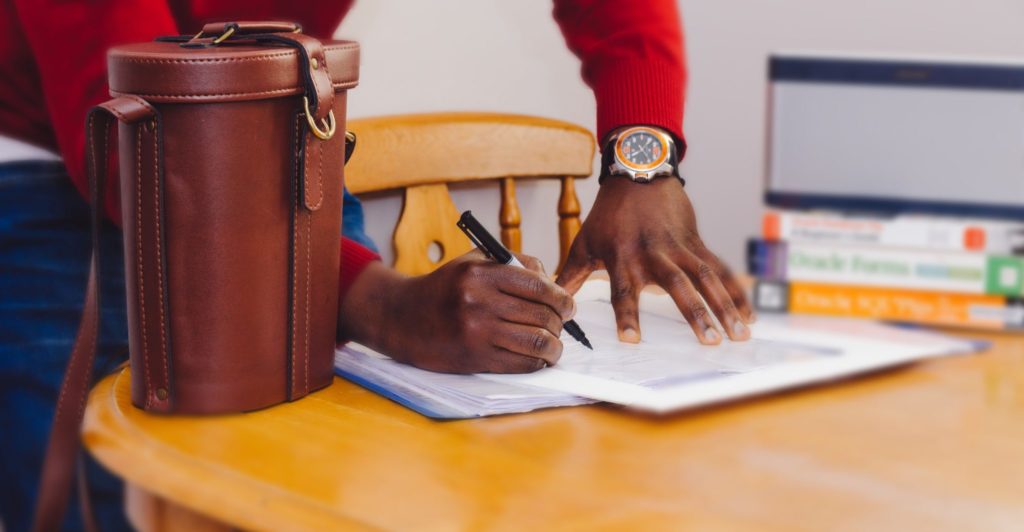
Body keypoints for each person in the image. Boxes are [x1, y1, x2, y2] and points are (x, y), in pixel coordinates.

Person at [0, 1, 754, 530]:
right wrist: (384, 305)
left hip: (266, 123)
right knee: (106, 492)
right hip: (48, 152)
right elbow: (124, 131)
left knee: (332, 471)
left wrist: (641, 159)